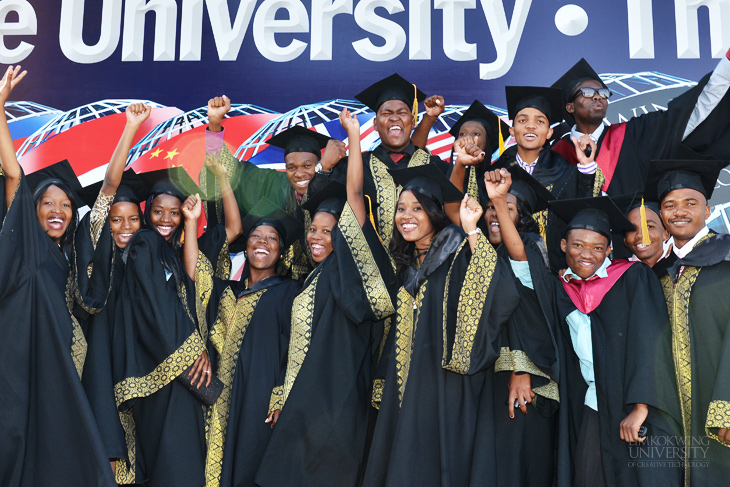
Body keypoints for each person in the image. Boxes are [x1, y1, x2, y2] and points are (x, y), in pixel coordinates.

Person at [488, 174, 682, 487]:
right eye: (577, 245)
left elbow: (650, 341)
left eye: (597, 247)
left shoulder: (633, 278)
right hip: (591, 404)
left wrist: (641, 405)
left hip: (635, 406)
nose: (586, 254)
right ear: (563, 245)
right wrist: (499, 201)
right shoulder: (563, 289)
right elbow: (522, 261)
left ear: (609, 250)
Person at [254, 109, 395, 487]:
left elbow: (353, 200)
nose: (315, 236)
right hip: (308, 403)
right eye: (312, 229)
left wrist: (352, 136)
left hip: (338, 401)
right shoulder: (314, 277)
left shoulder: (352, 273)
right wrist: (284, 396)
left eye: (327, 231)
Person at [362, 163, 520, 487]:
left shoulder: (457, 250)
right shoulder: (407, 268)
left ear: (434, 212)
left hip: (446, 388)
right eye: (401, 208)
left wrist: (472, 230)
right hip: (407, 388)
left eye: (417, 208)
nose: (406, 215)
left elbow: (501, 290)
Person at [0, 66, 116, 486]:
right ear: (32, 212)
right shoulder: (26, 246)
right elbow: (14, 174)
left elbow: (107, 192)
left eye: (65, 206)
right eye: (47, 203)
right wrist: (0, 105)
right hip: (19, 354)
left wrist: (131, 129)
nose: (57, 211)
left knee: (59, 444)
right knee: (15, 434)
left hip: (59, 359)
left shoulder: (69, 260)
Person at [112, 162, 242, 487]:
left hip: (182, 375)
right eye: (158, 212)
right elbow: (156, 306)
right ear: (147, 213)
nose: (165, 220)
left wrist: (195, 216)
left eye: (174, 212)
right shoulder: (144, 245)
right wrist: (193, 349)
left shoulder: (176, 252)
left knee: (184, 458)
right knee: (174, 461)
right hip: (162, 372)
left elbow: (230, 233)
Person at [183, 196, 301, 487]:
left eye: (272, 238)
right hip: (216, 400)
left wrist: (281, 395)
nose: (262, 242)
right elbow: (195, 271)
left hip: (259, 400)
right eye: (255, 237)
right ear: (246, 248)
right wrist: (190, 220)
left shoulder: (292, 293)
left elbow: (300, 349)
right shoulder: (227, 291)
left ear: (282, 252)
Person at [72, 103, 152, 480]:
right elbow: (108, 187)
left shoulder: (147, 258)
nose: (124, 226)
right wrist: (131, 128)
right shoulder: (98, 247)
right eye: (116, 219)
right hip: (101, 355)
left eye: (133, 219)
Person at [644, 159, 730, 486]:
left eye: (690, 203)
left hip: (717, 408)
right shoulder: (659, 273)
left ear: (708, 210)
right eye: (670, 205)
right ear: (663, 217)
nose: (680, 211)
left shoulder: (727, 257)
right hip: (672, 417)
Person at [551, 49, 730, 196]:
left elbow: (688, 116)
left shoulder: (635, 133)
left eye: (603, 93)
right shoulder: (555, 154)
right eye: (587, 92)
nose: (598, 96)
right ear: (570, 107)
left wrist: (726, 68)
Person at [478, 165, 560, 487]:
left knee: (518, 461)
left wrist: (522, 368)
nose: (494, 215)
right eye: (490, 209)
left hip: (524, 377)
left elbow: (532, 312)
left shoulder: (529, 249)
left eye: (507, 209)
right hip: (490, 378)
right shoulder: (484, 253)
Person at [456, 86, 597, 271]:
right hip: (503, 269)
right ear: (512, 130)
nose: (531, 126)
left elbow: (582, 214)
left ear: (549, 133)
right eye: (522, 120)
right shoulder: (494, 174)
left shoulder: (567, 171)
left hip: (554, 271)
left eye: (540, 121)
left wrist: (586, 167)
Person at [201, 95, 342, 280]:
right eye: (291, 168)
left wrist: (323, 170)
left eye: (308, 166)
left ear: (320, 164)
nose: (299, 174)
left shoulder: (333, 190)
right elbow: (225, 170)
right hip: (274, 283)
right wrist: (214, 124)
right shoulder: (272, 183)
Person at [310, 73, 452, 248]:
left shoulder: (434, 166)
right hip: (370, 269)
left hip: (422, 267)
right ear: (375, 124)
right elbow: (317, 202)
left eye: (402, 112)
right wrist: (323, 167)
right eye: (387, 113)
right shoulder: (354, 166)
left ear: (413, 121)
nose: (394, 117)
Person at [446, 99, 509, 199]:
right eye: (462, 134)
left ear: (487, 144)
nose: (468, 138)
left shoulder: (494, 180)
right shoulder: (441, 170)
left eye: (476, 134)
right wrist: (459, 159)